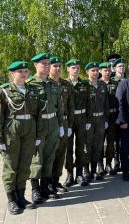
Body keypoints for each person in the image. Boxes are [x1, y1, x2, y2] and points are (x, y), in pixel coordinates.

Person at [0, 61, 39, 214]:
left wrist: (37, 134)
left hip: (29, 129)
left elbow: (37, 114)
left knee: (25, 164)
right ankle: (11, 199)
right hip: (12, 130)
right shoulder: (4, 90)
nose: (24, 74)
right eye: (20, 71)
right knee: (11, 166)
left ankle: (21, 196)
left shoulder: (32, 90)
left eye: (26, 71)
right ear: (13, 73)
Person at [28, 53, 64, 202]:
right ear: (36, 65)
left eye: (48, 63)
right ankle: (35, 189)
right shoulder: (30, 84)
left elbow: (59, 107)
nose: (47, 66)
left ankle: (46, 187)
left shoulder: (53, 84)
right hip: (39, 126)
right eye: (44, 63)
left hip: (53, 124)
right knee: (37, 158)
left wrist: (61, 125)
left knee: (50, 156)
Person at [64, 59, 92, 187]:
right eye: (73, 67)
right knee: (68, 148)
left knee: (81, 147)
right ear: (68, 69)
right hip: (69, 119)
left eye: (77, 68)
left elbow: (89, 103)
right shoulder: (64, 84)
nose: (76, 70)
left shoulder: (85, 84)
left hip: (81, 118)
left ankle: (79, 174)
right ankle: (70, 174)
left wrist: (88, 120)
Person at [49, 57, 74, 193]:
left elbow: (71, 106)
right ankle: (47, 184)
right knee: (50, 153)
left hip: (64, 122)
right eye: (55, 66)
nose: (57, 69)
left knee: (61, 153)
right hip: (51, 123)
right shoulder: (47, 83)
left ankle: (56, 181)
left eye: (59, 66)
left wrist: (69, 125)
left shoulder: (66, 84)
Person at [86, 62, 109, 180]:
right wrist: (86, 121)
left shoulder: (102, 85)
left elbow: (106, 104)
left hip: (100, 119)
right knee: (87, 145)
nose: (95, 73)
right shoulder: (84, 85)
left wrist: (106, 119)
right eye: (92, 70)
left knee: (98, 145)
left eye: (96, 70)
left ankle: (94, 170)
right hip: (89, 120)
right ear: (87, 72)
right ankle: (86, 171)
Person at [99, 62, 119, 175]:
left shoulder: (116, 83)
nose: (107, 72)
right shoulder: (98, 84)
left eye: (108, 70)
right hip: (101, 117)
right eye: (105, 70)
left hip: (112, 117)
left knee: (111, 142)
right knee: (100, 143)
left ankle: (108, 164)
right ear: (101, 71)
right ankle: (100, 166)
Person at [111, 58, 125, 173]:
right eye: (119, 66)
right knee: (115, 140)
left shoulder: (127, 81)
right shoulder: (111, 81)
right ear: (115, 69)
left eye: (123, 66)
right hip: (113, 115)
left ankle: (124, 161)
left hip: (124, 115)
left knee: (123, 140)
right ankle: (116, 162)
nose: (121, 68)